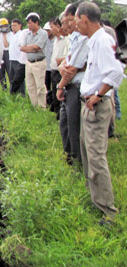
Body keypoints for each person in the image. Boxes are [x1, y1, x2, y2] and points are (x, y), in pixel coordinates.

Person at [75, 2, 124, 224]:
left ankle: (109, 212)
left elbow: (116, 72)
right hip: (90, 104)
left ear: (85, 18)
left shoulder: (103, 40)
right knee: (87, 153)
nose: (76, 24)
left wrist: (97, 95)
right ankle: (95, 200)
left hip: (97, 105)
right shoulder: (93, 41)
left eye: (77, 19)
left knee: (96, 157)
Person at [56, 3, 88, 165]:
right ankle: (69, 155)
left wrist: (60, 85)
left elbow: (72, 67)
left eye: (70, 20)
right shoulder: (74, 38)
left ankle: (78, 161)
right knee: (65, 124)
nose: (67, 25)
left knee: (75, 127)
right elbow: (66, 62)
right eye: (65, 22)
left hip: (76, 87)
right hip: (69, 85)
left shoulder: (85, 38)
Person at [21, 12, 48, 108]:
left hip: (39, 62)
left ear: (36, 23)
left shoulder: (43, 33)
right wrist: (32, 48)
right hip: (29, 63)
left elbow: (37, 47)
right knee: (30, 86)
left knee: (40, 86)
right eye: (28, 23)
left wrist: (32, 48)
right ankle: (35, 106)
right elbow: (22, 47)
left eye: (30, 23)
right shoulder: (28, 34)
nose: (28, 25)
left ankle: (42, 107)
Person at [49, 17, 66, 116]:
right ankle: (57, 113)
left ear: (58, 27)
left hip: (61, 71)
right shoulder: (56, 40)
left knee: (61, 93)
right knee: (55, 92)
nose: (51, 29)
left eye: (52, 27)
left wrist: (62, 60)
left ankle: (61, 113)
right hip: (54, 70)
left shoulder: (65, 40)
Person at [9, 19, 26, 95]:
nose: (13, 27)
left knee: (19, 78)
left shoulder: (22, 34)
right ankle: (13, 93)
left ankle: (22, 94)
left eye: (15, 25)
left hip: (19, 59)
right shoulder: (11, 35)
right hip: (11, 59)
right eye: (12, 25)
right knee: (12, 78)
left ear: (20, 25)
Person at [0, 18, 13, 89]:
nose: (3, 28)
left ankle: (11, 87)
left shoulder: (10, 34)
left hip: (7, 53)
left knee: (9, 71)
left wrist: (4, 35)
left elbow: (6, 45)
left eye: (4, 26)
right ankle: (4, 87)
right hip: (0, 53)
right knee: (1, 72)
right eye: (2, 26)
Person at [43, 22, 54, 95]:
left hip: (54, 68)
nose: (47, 32)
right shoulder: (44, 40)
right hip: (46, 67)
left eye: (48, 30)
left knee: (54, 86)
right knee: (46, 86)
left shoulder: (57, 39)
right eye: (45, 30)